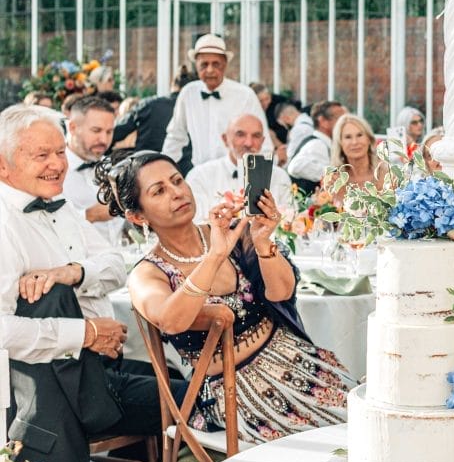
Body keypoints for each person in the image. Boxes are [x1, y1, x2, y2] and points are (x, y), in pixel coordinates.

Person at [0, 105, 168, 462]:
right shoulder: (3, 226)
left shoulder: (64, 208)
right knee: (183, 400)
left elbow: (119, 263)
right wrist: (86, 333)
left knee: (183, 390)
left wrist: (73, 272)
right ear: (3, 165)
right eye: (41, 155)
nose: (57, 164)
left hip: (98, 373)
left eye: (59, 151)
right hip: (41, 388)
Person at [104, 151, 354, 444]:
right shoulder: (147, 274)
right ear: (137, 216)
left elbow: (281, 292)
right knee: (324, 446)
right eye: (159, 191)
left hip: (298, 360)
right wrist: (214, 257)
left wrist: (262, 242)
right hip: (237, 392)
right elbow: (171, 320)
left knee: (363, 426)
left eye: (177, 181)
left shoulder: (233, 235)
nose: (177, 192)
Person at [162, 34, 273, 168]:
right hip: (200, 174)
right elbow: (175, 136)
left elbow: (262, 141)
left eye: (216, 64)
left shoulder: (245, 95)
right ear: (196, 65)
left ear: (225, 64)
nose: (210, 70)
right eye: (204, 64)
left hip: (238, 173)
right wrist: (163, 168)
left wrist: (260, 178)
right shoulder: (188, 93)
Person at [185, 114, 295, 218]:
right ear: (225, 139)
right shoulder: (200, 176)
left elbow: (289, 220)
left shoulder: (280, 176)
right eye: (240, 134)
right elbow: (196, 223)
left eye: (256, 136)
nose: (248, 143)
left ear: (262, 141)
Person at [63, 96, 124, 245]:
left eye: (109, 132)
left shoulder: (112, 166)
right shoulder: (53, 170)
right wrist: (90, 215)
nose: (104, 139)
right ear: (72, 128)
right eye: (96, 130)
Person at [112, 64, 197, 169]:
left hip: (146, 169)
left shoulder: (148, 104)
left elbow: (117, 131)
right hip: (184, 172)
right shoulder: (196, 111)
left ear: (172, 84)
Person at [324, 113, 389, 205]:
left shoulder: (386, 174)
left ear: (368, 139)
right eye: (348, 137)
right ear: (340, 143)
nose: (355, 142)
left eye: (359, 135)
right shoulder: (334, 178)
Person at [286, 100, 345, 195]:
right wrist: (334, 174)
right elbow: (295, 166)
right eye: (340, 119)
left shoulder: (324, 143)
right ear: (323, 121)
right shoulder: (317, 144)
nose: (345, 123)